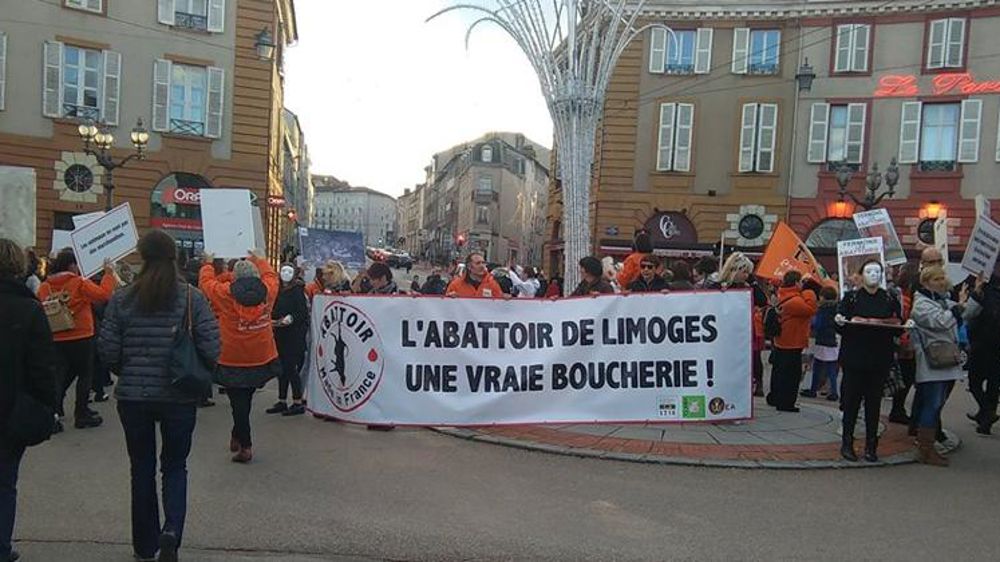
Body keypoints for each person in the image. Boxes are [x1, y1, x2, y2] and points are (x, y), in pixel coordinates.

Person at [98, 231, 220, 562]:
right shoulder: (191, 298)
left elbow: (108, 349)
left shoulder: (122, 298)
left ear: (142, 256)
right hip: (179, 396)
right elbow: (211, 345)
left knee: (141, 467)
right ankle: (171, 532)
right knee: (175, 466)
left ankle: (144, 544)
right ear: (174, 258)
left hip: (134, 398)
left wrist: (128, 368)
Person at [0, 239, 58, 562]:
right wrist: (47, 406)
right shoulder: (29, 308)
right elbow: (42, 367)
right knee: (5, 483)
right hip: (11, 410)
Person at [200, 251, 279, 464]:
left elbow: (206, 284)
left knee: (238, 402)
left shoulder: (226, 293)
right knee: (245, 400)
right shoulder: (267, 291)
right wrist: (259, 258)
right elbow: (271, 276)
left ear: (235, 278)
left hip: (232, 358)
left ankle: (246, 445)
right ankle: (237, 434)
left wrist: (208, 263)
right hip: (260, 357)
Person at [38, 248, 117, 431]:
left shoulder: (45, 286)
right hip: (81, 335)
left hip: (57, 335)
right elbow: (103, 295)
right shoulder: (79, 283)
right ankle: (81, 413)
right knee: (84, 374)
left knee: (60, 374)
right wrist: (108, 274)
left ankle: (54, 411)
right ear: (72, 265)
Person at [910, 266, 981, 466]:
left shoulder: (940, 301)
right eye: (936, 279)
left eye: (942, 278)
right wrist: (957, 308)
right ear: (925, 282)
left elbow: (967, 313)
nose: (941, 281)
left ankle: (927, 446)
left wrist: (976, 293)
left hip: (944, 362)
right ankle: (924, 449)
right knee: (931, 405)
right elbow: (942, 322)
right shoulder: (921, 305)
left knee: (936, 404)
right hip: (931, 363)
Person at [835, 260, 901, 462]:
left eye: (877, 272)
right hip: (855, 358)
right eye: (869, 271)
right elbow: (841, 325)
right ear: (862, 275)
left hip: (879, 359)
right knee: (851, 402)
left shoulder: (889, 298)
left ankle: (871, 445)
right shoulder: (852, 297)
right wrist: (839, 320)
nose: (873, 275)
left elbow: (898, 324)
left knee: (874, 404)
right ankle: (847, 442)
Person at [768, 270, 817, 413]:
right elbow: (810, 309)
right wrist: (809, 293)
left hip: (782, 340)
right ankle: (786, 402)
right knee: (791, 375)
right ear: (796, 283)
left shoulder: (782, 294)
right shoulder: (796, 300)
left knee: (779, 371)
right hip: (792, 341)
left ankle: (775, 397)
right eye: (801, 282)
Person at [266, 264, 309, 417]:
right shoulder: (277, 289)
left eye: (288, 271)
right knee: (281, 370)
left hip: (293, 336)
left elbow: (302, 313)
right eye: (283, 270)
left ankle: (297, 401)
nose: (285, 274)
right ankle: (282, 400)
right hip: (279, 333)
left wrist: (291, 318)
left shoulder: (297, 290)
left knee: (291, 369)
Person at [965, 263, 1000, 435]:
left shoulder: (985, 289)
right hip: (993, 345)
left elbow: (970, 313)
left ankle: (987, 412)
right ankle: (985, 417)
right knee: (993, 383)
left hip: (982, 343)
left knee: (974, 382)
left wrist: (976, 292)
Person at [801, 285, 840, 401]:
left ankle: (813, 389)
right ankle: (833, 390)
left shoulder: (822, 309)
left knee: (818, 365)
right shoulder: (837, 308)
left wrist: (811, 323)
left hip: (822, 338)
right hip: (833, 339)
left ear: (822, 297)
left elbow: (818, 324)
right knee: (831, 366)